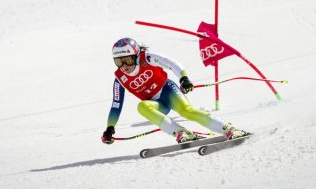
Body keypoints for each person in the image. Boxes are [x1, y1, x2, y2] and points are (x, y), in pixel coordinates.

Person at [101, 37, 249, 145]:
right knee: (142, 107)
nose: (124, 66)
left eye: (127, 59)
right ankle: (180, 132)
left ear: (136, 56)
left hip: (168, 91)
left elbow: (170, 62)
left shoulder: (147, 58)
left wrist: (184, 78)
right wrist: (109, 128)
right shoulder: (120, 79)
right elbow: (116, 105)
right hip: (157, 104)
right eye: (118, 61)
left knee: (187, 111)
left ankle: (228, 128)